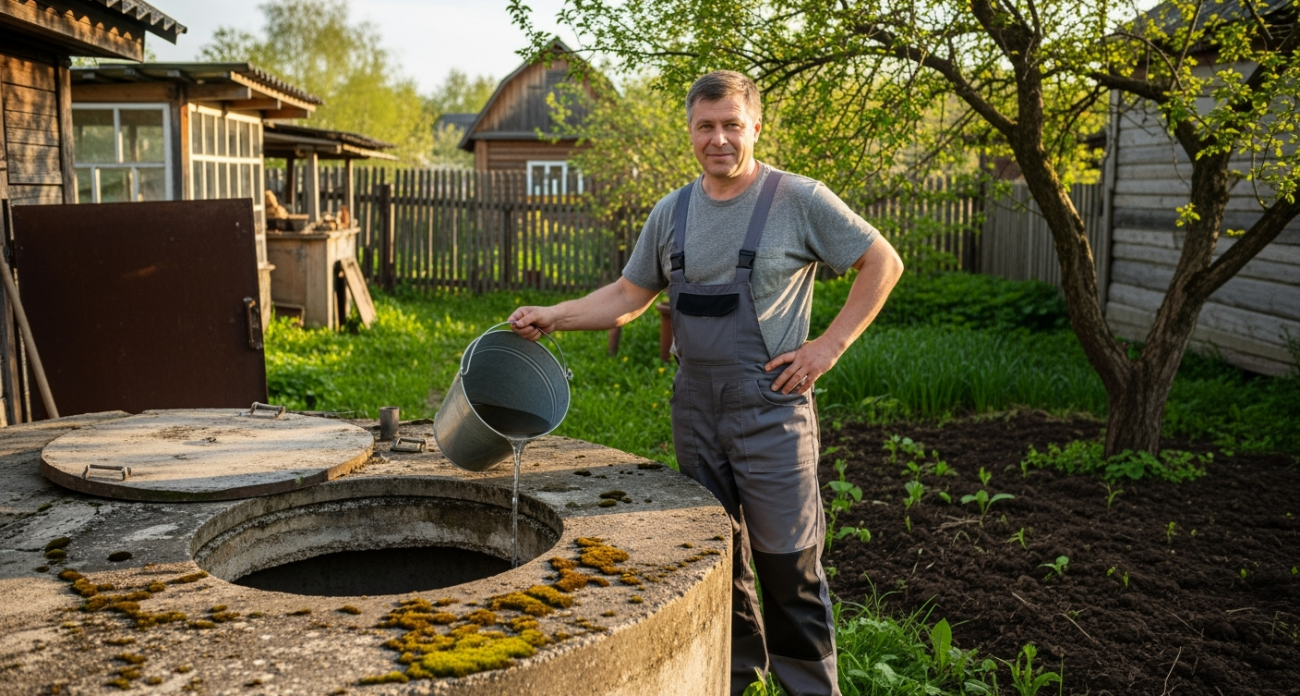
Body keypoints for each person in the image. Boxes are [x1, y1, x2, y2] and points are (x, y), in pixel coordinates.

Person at [509, 70, 903, 696]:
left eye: (731, 126)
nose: (718, 139)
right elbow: (628, 296)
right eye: (705, 126)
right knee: (718, 561)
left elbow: (882, 261)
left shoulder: (798, 199)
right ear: (690, 130)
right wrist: (551, 316)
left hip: (771, 409)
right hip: (696, 411)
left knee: (789, 567)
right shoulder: (673, 212)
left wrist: (829, 347)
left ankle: (810, 689)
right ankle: (733, 679)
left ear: (755, 127)